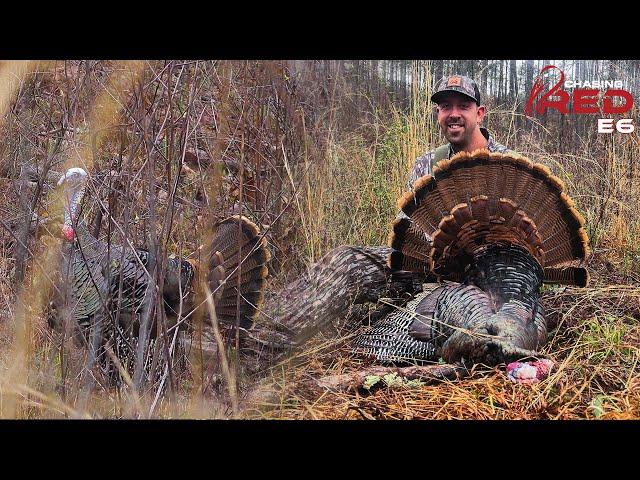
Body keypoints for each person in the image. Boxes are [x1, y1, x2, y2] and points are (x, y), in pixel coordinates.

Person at [251, 74, 511, 350]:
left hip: (482, 282)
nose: (454, 114)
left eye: (463, 106)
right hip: (425, 268)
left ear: (480, 113)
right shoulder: (428, 164)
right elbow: (407, 227)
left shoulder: (507, 164)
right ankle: (261, 339)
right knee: (347, 260)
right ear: (438, 114)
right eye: (446, 106)